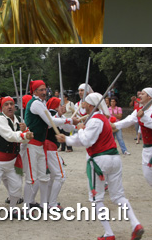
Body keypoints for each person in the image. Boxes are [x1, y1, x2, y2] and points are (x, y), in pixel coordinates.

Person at [59, 93, 144, 240]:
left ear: (91, 105)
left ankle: (109, 234)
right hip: (114, 159)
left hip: (99, 160)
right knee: (118, 196)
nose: (82, 105)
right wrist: (66, 139)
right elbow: (82, 139)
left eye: (85, 103)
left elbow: (86, 140)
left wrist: (79, 128)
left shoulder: (95, 120)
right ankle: (135, 224)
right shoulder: (99, 119)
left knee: (96, 199)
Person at [23, 80, 77, 211]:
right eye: (40, 90)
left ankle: (44, 204)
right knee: (32, 177)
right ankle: (27, 206)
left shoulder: (41, 104)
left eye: (44, 89)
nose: (44, 92)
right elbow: (50, 121)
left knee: (43, 176)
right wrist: (68, 119)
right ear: (34, 91)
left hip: (40, 145)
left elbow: (49, 123)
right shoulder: (35, 103)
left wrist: (66, 120)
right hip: (32, 144)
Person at [113, 87, 152, 211]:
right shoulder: (138, 110)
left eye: (143, 93)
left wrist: (144, 117)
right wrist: (112, 125)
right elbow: (128, 121)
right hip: (147, 148)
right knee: (149, 176)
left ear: (150, 96)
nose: (140, 95)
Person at [0, 96, 31, 229]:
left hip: (12, 161)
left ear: (15, 106)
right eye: (6, 104)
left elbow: (25, 141)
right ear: (1, 108)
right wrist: (25, 134)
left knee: (16, 188)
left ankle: (13, 209)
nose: (9, 107)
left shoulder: (19, 119)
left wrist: (26, 131)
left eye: (11, 104)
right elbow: (9, 136)